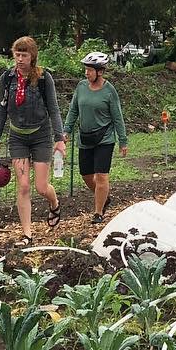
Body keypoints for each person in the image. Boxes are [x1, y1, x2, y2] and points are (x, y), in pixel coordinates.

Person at [0, 36, 65, 245]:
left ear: (33, 57)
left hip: (41, 135)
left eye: (24, 55)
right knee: (23, 186)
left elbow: (54, 109)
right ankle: (27, 234)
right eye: (17, 54)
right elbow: (1, 109)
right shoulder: (7, 79)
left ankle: (54, 203)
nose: (20, 59)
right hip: (17, 137)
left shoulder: (43, 79)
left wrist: (60, 138)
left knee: (41, 187)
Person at [64, 51, 128, 225]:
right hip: (85, 138)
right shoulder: (81, 87)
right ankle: (104, 197)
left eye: (90, 70)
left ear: (100, 71)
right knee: (86, 175)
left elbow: (117, 116)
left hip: (104, 139)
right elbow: (73, 110)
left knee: (101, 176)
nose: (87, 73)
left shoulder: (109, 91)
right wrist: (66, 130)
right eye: (86, 70)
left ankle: (98, 212)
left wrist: (123, 140)